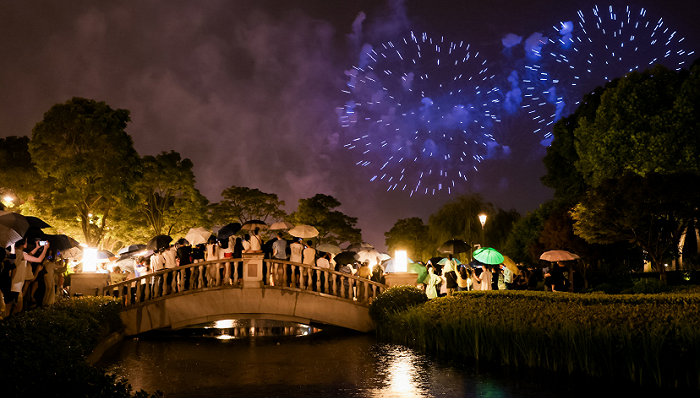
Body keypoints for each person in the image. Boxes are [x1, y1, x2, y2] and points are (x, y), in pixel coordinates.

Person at [8, 239, 48, 316]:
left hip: (13, 283)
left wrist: (36, 247)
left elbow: (28, 255)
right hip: (16, 284)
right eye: (26, 241)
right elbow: (39, 259)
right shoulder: (22, 254)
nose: (27, 243)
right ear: (23, 244)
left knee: (11, 308)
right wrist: (45, 248)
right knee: (18, 309)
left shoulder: (15, 252)